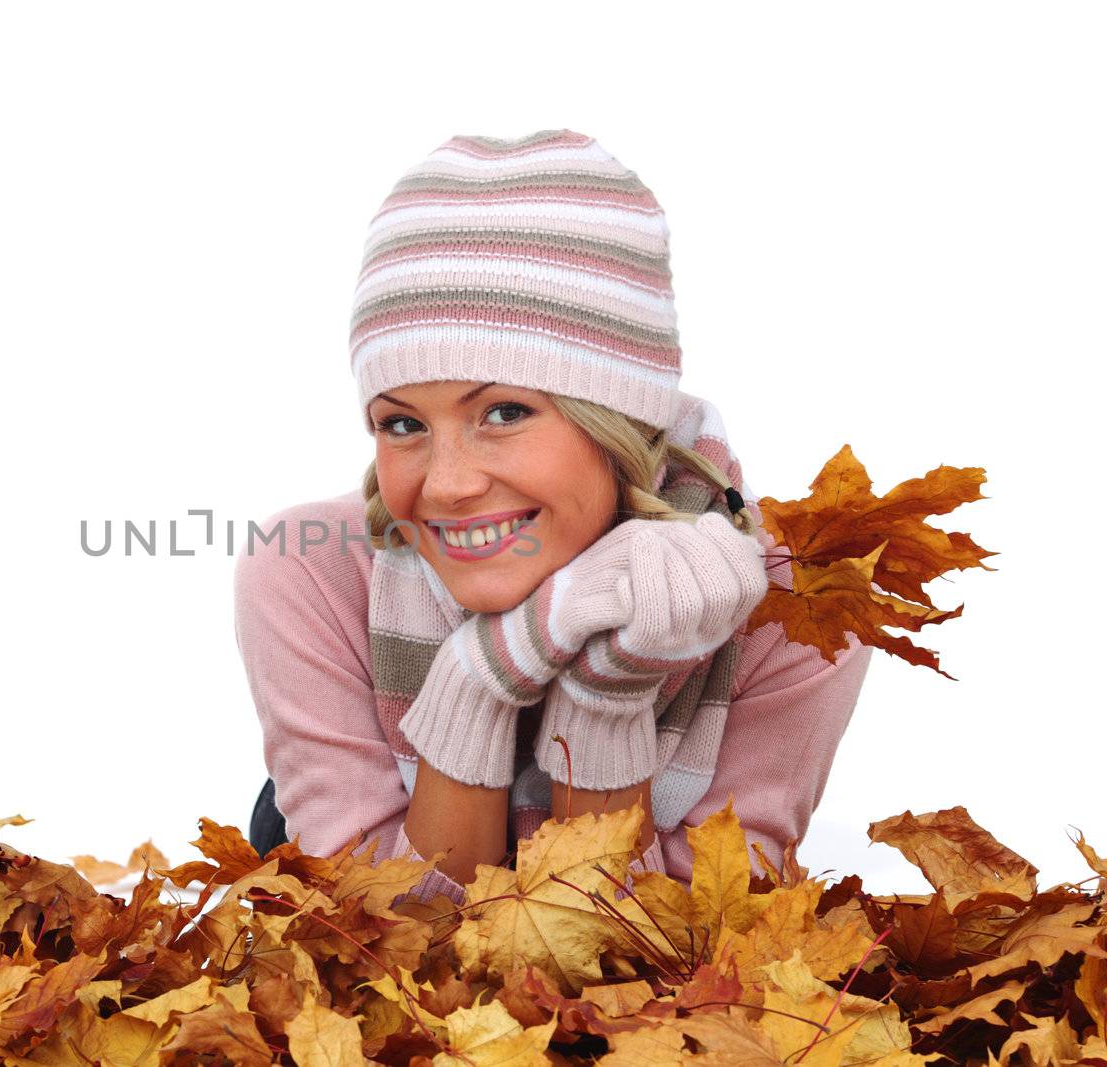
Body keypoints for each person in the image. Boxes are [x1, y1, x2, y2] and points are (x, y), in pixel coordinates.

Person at [233, 129, 872, 906]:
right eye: (402, 424)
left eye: (502, 411)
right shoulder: (308, 571)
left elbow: (671, 953)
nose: (447, 484)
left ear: (619, 418)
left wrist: (608, 692)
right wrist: (479, 678)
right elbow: (382, 942)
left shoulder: (797, 607)